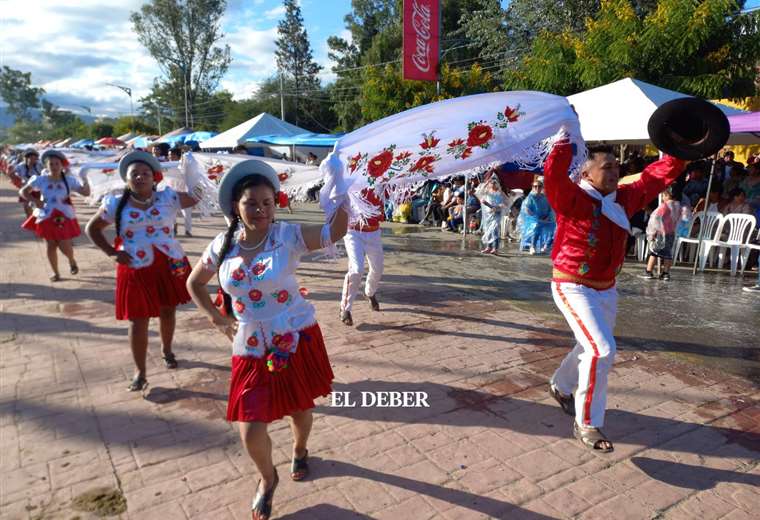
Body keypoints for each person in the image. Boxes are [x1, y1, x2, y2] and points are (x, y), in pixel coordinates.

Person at [185, 160, 348, 520]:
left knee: (299, 408)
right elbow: (193, 283)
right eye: (251, 203)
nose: (260, 210)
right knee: (249, 428)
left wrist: (343, 187)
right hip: (249, 345)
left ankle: (301, 449)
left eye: (267, 203)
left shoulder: (286, 236)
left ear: (276, 204)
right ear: (235, 206)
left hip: (294, 335)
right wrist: (217, 319)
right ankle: (267, 478)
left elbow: (332, 232)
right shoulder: (221, 245)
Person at [544, 139, 685, 453]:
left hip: (606, 288)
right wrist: (564, 142)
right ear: (586, 172)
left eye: (616, 168)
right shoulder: (571, 196)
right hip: (573, 284)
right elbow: (553, 175)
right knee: (603, 349)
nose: (614, 172)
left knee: (589, 346)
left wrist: (681, 149)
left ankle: (561, 385)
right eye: (606, 167)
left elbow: (656, 177)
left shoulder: (624, 198)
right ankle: (588, 422)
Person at [85, 151, 200, 391]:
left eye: (145, 173)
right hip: (135, 268)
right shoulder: (116, 203)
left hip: (169, 263)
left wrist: (201, 172)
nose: (140, 177)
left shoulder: (169, 198)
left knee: (168, 312)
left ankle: (167, 351)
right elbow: (92, 229)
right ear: (126, 179)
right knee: (138, 321)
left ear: (155, 177)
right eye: (134, 173)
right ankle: (140, 372)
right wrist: (112, 252)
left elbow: (197, 196)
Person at [19, 150, 91, 281]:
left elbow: (85, 193)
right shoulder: (40, 180)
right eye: (51, 164)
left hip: (64, 216)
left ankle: (71, 260)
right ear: (46, 166)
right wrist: (36, 201)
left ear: (62, 165)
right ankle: (56, 273)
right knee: (50, 245)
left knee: (65, 245)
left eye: (57, 164)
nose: (54, 167)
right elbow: (23, 191)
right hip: (46, 216)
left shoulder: (69, 181)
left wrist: (85, 179)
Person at [340, 188, 384, 326]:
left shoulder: (383, 178)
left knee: (378, 268)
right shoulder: (351, 178)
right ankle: (345, 309)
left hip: (374, 232)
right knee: (357, 269)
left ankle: (369, 293)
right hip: (353, 232)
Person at [641, 189, 680, 280]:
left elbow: (655, 219)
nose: (662, 198)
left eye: (663, 196)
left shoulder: (664, 206)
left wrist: (652, 232)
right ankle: (666, 273)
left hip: (661, 233)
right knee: (667, 254)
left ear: (667, 196)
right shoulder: (677, 206)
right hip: (671, 233)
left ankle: (649, 271)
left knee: (654, 252)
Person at [518, 178, 556, 254]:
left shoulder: (546, 197)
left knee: (554, 231)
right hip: (535, 220)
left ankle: (546, 246)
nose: (537, 188)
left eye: (539, 186)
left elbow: (551, 209)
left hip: (546, 219)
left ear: (542, 187)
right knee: (536, 229)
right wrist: (536, 217)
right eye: (535, 186)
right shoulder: (530, 197)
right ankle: (532, 247)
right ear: (533, 187)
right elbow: (527, 209)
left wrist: (548, 217)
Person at [479, 176, 506, 254]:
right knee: (488, 230)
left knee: (494, 230)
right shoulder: (487, 191)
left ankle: (495, 248)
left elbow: (503, 203)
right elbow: (480, 191)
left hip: (497, 213)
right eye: (492, 183)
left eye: (495, 183)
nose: (493, 184)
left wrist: (496, 207)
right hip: (488, 214)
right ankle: (488, 247)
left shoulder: (500, 192)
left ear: (497, 184)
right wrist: (487, 182)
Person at [12, 149, 42, 218]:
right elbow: (12, 173)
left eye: (35, 158)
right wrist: (17, 182)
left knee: (39, 205)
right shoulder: (20, 166)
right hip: (26, 188)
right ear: (26, 158)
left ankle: (38, 219)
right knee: (26, 206)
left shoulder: (40, 165)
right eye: (30, 158)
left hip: (38, 189)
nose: (33, 160)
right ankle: (29, 219)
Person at [170, 147, 193, 237]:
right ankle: (174, 226)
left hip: (184, 192)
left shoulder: (184, 165)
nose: (170, 156)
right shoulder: (167, 165)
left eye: (172, 155)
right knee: (171, 212)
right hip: (172, 192)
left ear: (178, 156)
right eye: (169, 155)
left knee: (187, 213)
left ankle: (188, 230)